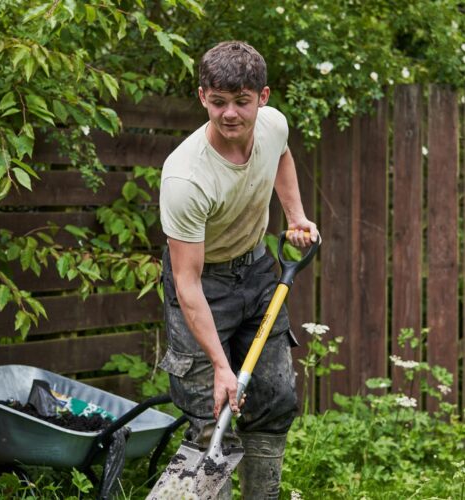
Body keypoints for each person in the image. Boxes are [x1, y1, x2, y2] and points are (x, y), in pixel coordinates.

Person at [158, 40, 318, 499]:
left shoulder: (273, 126)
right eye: (219, 101)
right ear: (203, 97)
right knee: (212, 413)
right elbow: (187, 283)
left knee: (274, 399)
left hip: (258, 271)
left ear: (262, 98)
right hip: (202, 283)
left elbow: (282, 156)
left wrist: (295, 217)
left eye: (242, 101)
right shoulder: (186, 178)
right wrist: (220, 366)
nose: (231, 113)